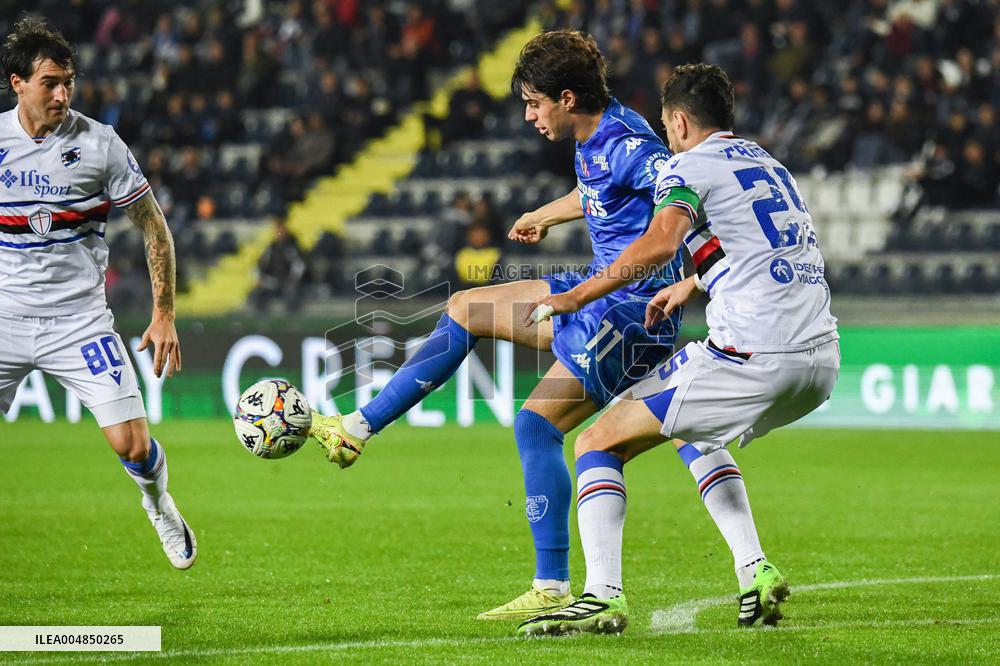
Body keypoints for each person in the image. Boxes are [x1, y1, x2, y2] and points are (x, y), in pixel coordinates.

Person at [311, 30, 737, 621]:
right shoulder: (598, 135)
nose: (528, 115)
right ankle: (358, 426)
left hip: (628, 313)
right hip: (596, 297)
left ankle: (554, 585)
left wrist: (688, 278)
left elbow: (685, 207)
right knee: (466, 307)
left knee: (537, 427)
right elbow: (598, 194)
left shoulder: (631, 144)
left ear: (567, 98)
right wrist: (548, 213)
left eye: (534, 103)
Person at [518, 63, 840, 636]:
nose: (665, 139)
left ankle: (601, 597)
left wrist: (579, 296)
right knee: (683, 421)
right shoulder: (768, 163)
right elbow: (760, 247)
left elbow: (660, 239)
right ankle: (755, 569)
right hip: (820, 361)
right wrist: (691, 283)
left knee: (597, 440)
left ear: (679, 121)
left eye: (667, 128)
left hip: (754, 358)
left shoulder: (686, 166)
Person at [0, 18, 195, 569]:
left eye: (69, 82)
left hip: (77, 322)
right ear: (18, 83)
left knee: (132, 446)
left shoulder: (100, 145)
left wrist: (163, 314)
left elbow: (154, 228)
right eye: (50, 83)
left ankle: (159, 505)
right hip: (4, 318)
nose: (63, 94)